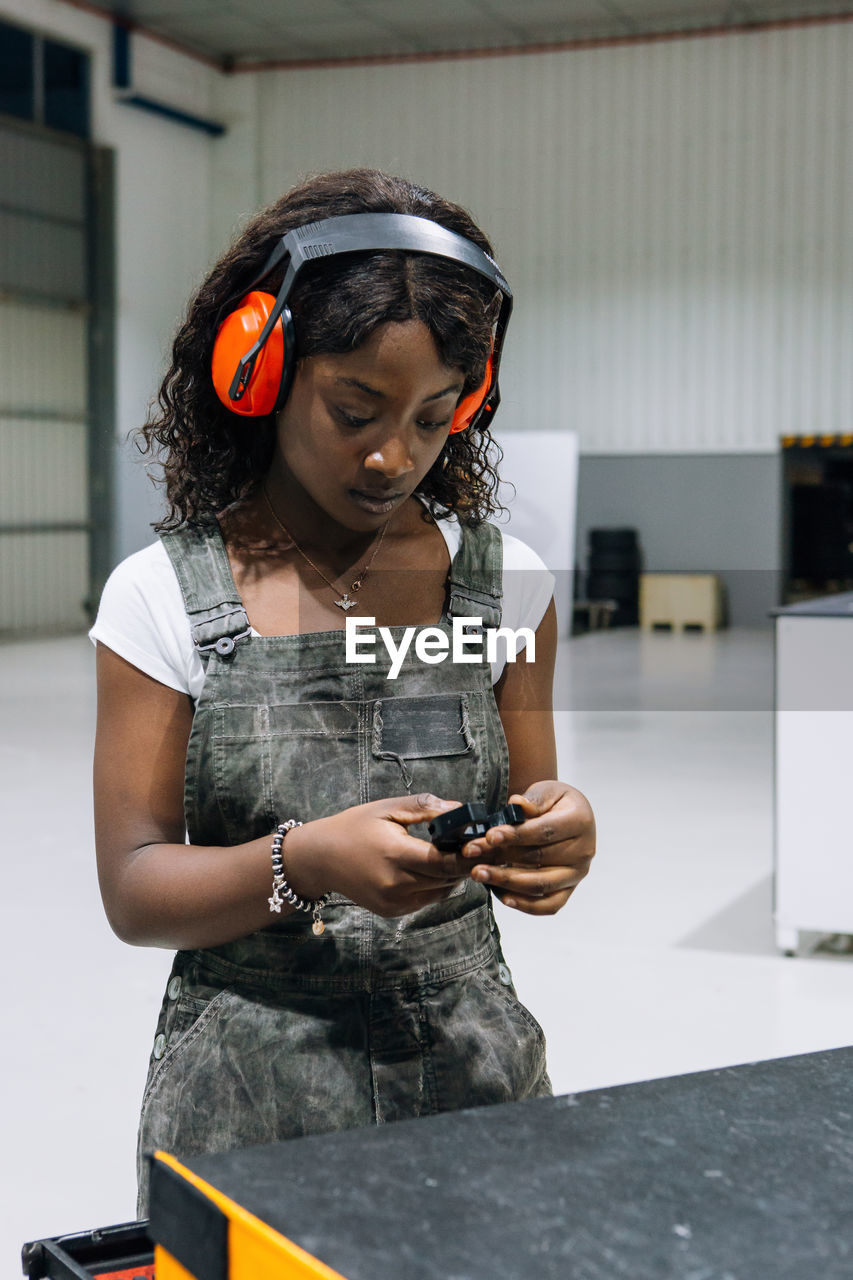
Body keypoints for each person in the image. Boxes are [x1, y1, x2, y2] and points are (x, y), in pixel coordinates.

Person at [90, 168, 595, 1213]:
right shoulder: (165, 598)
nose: (390, 455)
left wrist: (558, 839)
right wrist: (305, 859)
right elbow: (136, 889)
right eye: (354, 408)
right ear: (259, 369)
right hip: (249, 1093)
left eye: (432, 417)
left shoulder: (508, 584)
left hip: (474, 1075)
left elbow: (534, 814)